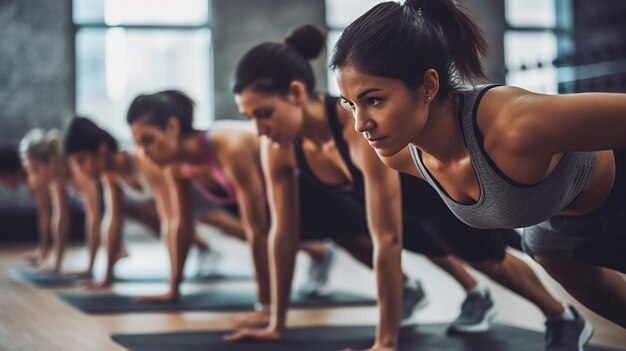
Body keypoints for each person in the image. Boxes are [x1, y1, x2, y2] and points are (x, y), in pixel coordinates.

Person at [224, 25, 576, 351]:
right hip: (395, 211)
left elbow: (387, 243)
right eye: (249, 117)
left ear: (296, 92)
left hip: (436, 194)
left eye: (264, 113)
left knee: (489, 261)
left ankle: (561, 315)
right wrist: (275, 322)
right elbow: (283, 235)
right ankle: (475, 295)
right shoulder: (278, 148)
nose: (258, 129)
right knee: (432, 249)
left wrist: (385, 344)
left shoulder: (355, 128)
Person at [332, 0, 626, 345]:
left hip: (616, 200)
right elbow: (387, 241)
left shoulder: (514, 125)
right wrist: (385, 343)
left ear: (428, 86)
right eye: (350, 104)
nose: (360, 124)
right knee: (546, 249)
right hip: (562, 230)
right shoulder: (400, 156)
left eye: (374, 100)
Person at [126, 91, 336, 306]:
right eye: (138, 145)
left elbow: (258, 231)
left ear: (172, 127)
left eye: (148, 141)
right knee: (241, 226)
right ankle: (319, 252)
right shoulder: (175, 165)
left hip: (314, 187)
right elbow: (181, 225)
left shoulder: (228, 146)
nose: (144, 153)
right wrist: (172, 289)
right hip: (270, 200)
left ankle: (320, 254)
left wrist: (264, 306)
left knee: (357, 243)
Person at [63, 117, 218, 288]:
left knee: (231, 226)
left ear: (102, 149)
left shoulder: (144, 162)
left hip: (201, 191)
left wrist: (173, 287)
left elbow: (171, 221)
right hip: (180, 202)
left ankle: (211, 249)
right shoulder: (110, 175)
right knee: (140, 212)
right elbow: (113, 221)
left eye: (81, 160)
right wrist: (106, 277)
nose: (80, 169)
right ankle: (206, 248)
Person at [2, 129, 71, 272]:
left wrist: (56, 262)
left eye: (34, 169)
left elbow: (58, 216)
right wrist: (43, 252)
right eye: (29, 170)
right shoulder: (49, 177)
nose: (33, 177)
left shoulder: (56, 176)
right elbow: (45, 213)